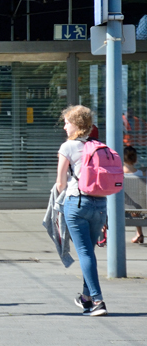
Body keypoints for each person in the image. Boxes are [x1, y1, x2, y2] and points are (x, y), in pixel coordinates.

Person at [56, 105, 108, 317]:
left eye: (67, 122)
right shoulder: (98, 145)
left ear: (77, 125)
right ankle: (86, 298)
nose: (64, 126)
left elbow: (60, 182)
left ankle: (97, 300)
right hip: (100, 204)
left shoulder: (67, 147)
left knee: (85, 253)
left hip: (76, 203)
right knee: (90, 252)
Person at [124, 145, 144, 244]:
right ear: (135, 159)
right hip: (138, 207)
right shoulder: (140, 174)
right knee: (135, 205)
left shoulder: (119, 174)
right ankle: (139, 233)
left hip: (122, 206)